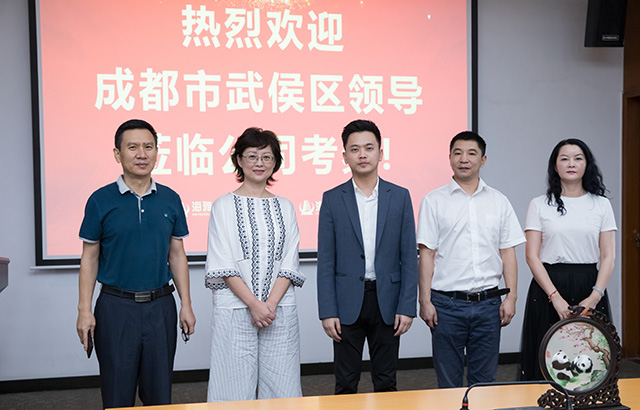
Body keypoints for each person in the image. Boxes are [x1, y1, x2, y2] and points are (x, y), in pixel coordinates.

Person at [75, 119, 196, 408]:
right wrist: (84, 311)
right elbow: (89, 257)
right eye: (132, 147)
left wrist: (186, 304)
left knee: (160, 395)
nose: (142, 154)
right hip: (116, 308)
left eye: (148, 147)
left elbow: (177, 254)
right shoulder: (100, 200)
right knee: (117, 394)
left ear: (157, 152)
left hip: (160, 307)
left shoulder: (170, 199)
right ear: (117, 154)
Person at [317, 119, 418, 394]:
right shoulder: (332, 198)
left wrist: (407, 306)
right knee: (345, 382)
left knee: (386, 381)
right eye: (355, 149)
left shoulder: (400, 196)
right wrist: (328, 311)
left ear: (381, 153)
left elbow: (409, 258)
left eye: (369, 148)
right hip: (346, 302)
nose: (362, 154)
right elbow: (326, 261)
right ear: (345, 156)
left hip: (388, 301)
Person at [204, 127, 306, 402]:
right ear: (239, 159)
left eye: (266, 157)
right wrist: (254, 304)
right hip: (235, 309)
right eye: (252, 156)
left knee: (283, 388)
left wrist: (268, 306)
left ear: (275, 162)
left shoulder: (286, 206)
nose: (259, 163)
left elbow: (289, 261)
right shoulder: (223, 206)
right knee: (232, 389)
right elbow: (223, 261)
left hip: (278, 310)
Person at [417, 131, 525, 388]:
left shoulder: (499, 201)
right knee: (448, 384)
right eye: (457, 153)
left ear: (483, 160)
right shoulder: (433, 201)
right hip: (446, 306)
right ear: (449, 158)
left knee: (485, 383)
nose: (463, 159)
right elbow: (426, 254)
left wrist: (511, 297)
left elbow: (507, 252)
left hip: (489, 305)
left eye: (471, 153)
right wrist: (424, 301)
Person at [519, 139, 616, 381]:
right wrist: (555, 297)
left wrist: (594, 297)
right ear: (555, 166)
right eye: (564, 159)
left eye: (577, 158)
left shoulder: (601, 204)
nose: (571, 164)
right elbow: (532, 256)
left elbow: (608, 256)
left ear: (587, 164)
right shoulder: (539, 204)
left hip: (590, 287)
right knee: (547, 362)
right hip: (548, 288)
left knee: (589, 364)